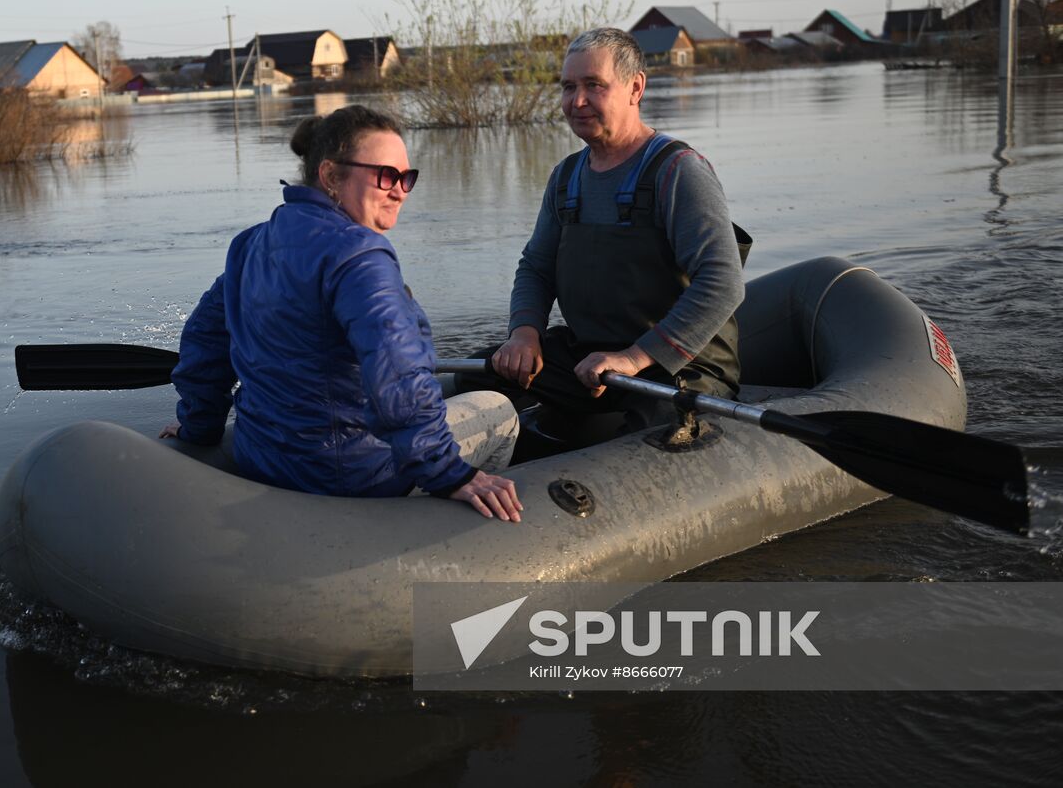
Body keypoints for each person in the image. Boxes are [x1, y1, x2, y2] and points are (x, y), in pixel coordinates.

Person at [161, 105, 523, 521]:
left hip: (261, 458)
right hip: (352, 473)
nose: (400, 190)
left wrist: (197, 428)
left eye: (407, 178)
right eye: (385, 175)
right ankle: (451, 539)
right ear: (332, 176)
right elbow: (397, 375)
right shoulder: (360, 256)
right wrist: (449, 473)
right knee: (500, 409)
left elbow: (204, 347)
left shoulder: (250, 245)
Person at [489, 27, 747, 432]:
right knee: (480, 376)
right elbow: (536, 267)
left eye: (594, 85)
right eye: (568, 86)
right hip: (591, 361)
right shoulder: (565, 177)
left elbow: (724, 283)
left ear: (635, 88)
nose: (577, 101)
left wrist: (633, 357)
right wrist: (524, 334)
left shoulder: (679, 171)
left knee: (656, 433)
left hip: (681, 368)